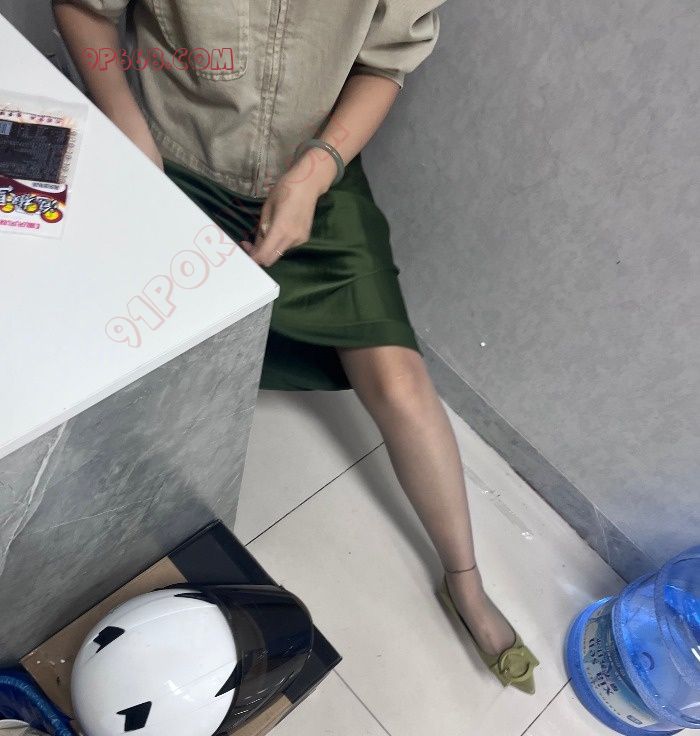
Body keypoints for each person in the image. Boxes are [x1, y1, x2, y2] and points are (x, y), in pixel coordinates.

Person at [54, 0, 539, 692]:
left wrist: (316, 171)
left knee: (399, 381)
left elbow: (384, 62)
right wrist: (135, 144)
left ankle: (464, 579)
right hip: (170, 154)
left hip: (313, 177)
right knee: (120, 354)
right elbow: (85, 11)